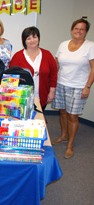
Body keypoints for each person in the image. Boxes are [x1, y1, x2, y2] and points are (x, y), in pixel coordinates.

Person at [51, 18, 94, 159]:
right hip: (61, 83)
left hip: (78, 86)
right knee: (62, 112)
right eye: (76, 28)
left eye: (82, 29)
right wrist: (52, 82)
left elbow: (93, 68)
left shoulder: (90, 46)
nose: (79, 31)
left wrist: (87, 86)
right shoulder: (63, 44)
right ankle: (63, 135)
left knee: (72, 116)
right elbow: (56, 64)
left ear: (86, 32)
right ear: (72, 30)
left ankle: (70, 145)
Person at [9, 26, 58, 111]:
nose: (32, 40)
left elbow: (54, 74)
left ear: (38, 38)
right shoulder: (17, 56)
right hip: (22, 97)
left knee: (39, 117)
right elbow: (11, 78)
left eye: (34, 37)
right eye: (28, 38)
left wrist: (52, 92)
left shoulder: (47, 54)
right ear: (24, 41)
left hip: (42, 95)